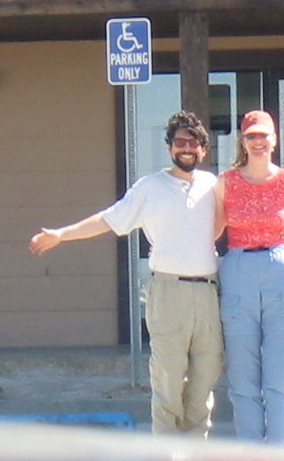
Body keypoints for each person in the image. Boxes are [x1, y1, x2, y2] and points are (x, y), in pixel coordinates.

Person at [28, 110, 223, 437]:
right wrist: (63, 234)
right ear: (169, 148)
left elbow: (230, 221)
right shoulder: (150, 187)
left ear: (203, 148)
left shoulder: (213, 185)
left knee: (204, 381)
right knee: (168, 381)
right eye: (179, 143)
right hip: (168, 292)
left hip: (207, 294)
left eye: (192, 143)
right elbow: (109, 219)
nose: (185, 148)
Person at [214, 109, 284, 445]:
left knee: (277, 380)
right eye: (251, 136)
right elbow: (213, 230)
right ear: (242, 140)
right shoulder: (225, 182)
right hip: (238, 269)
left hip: (280, 270)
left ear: (274, 139)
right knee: (242, 380)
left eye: (263, 135)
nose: (258, 142)